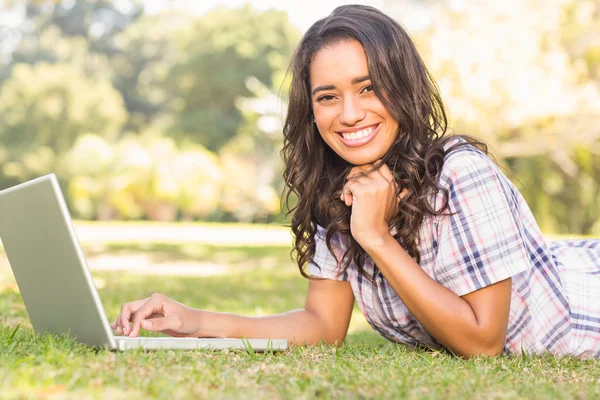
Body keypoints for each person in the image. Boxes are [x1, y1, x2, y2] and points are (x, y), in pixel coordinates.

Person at [112, 5, 600, 359]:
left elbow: (483, 341)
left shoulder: (461, 173)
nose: (349, 114)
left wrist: (376, 237)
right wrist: (192, 320)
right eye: (328, 96)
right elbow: (323, 326)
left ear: (402, 86)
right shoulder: (339, 188)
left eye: (368, 87)